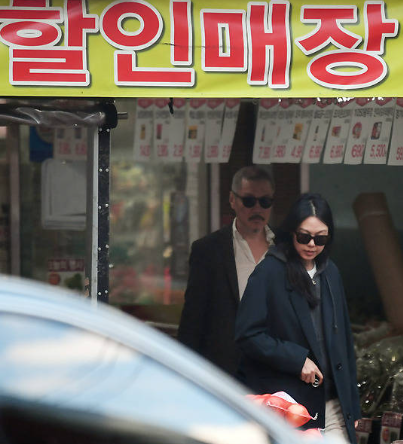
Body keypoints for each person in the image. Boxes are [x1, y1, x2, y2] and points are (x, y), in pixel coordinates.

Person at [235, 193, 360, 444]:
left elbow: (345, 341)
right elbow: (248, 335)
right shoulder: (269, 271)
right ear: (291, 232)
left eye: (320, 238)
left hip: (334, 404)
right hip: (289, 406)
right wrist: (297, 359)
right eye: (304, 236)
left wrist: (352, 406)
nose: (312, 244)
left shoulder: (331, 272)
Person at [177, 166, 275, 376]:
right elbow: (193, 319)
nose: (257, 208)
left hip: (274, 368)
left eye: (265, 201)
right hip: (225, 369)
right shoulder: (208, 250)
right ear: (232, 200)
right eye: (249, 201)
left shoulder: (285, 249)